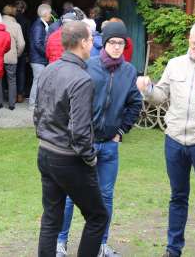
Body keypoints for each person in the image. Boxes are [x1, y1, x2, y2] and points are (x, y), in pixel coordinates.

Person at [136, 19, 195, 257]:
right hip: (175, 139)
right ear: (189, 40)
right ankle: (173, 248)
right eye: (194, 43)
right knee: (177, 196)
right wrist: (148, 90)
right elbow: (161, 96)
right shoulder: (175, 64)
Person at [56, 21, 143, 257]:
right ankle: (60, 241)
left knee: (105, 196)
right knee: (72, 194)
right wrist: (76, 131)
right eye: (112, 42)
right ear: (104, 43)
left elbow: (135, 103)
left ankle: (101, 244)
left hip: (109, 146)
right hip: (85, 142)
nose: (116, 47)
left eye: (121, 43)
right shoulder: (88, 66)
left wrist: (121, 131)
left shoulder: (128, 71)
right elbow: (71, 100)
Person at [34, 21, 109, 257]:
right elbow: (80, 131)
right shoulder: (81, 79)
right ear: (83, 42)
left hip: (46, 152)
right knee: (98, 216)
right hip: (67, 157)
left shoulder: (49, 69)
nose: (92, 44)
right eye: (90, 40)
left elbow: (37, 113)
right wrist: (90, 158)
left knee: (51, 217)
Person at [1, 5, 25, 110]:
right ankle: (11, 104)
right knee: (12, 80)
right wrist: (17, 54)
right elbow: (22, 44)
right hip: (11, 57)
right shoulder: (16, 26)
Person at [29, 4, 52, 110]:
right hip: (38, 58)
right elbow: (37, 43)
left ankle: (36, 103)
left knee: (38, 80)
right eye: (50, 13)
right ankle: (33, 104)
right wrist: (46, 53)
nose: (51, 15)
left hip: (38, 58)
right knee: (38, 80)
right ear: (45, 13)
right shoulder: (39, 25)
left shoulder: (41, 24)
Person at [15, 0, 31, 103]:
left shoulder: (11, 20)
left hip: (10, 49)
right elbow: (28, 38)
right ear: (24, 9)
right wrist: (28, 53)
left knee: (9, 73)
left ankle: (10, 94)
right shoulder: (26, 21)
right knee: (21, 72)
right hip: (23, 49)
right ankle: (20, 95)